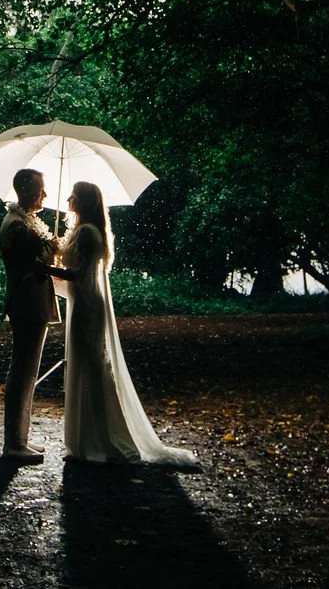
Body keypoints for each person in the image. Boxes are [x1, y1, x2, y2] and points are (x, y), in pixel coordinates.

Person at [45, 181, 197, 467]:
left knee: (91, 366)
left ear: (85, 201)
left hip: (88, 307)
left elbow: (76, 275)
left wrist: (45, 269)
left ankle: (102, 438)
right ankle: (88, 438)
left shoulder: (87, 233)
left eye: (74, 196)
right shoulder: (87, 231)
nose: (68, 198)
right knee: (86, 364)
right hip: (86, 303)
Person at [0, 167, 58, 461]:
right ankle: (14, 444)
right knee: (22, 371)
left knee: (29, 371)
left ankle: (21, 437)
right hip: (26, 302)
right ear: (25, 191)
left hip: (33, 302)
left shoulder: (25, 222)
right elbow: (30, 266)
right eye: (40, 189)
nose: (44, 195)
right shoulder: (15, 226)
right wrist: (53, 254)